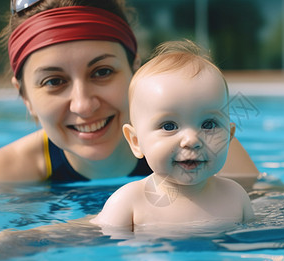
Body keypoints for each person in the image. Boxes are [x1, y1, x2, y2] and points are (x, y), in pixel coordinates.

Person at [0, 0, 259, 189]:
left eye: (102, 72)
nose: (84, 105)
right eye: (54, 81)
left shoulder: (203, 148)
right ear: (25, 96)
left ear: (134, 69)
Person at [91, 40, 254, 229]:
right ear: (136, 142)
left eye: (209, 124)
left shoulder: (235, 197)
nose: (192, 140)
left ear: (229, 136)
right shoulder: (128, 203)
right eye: (169, 126)